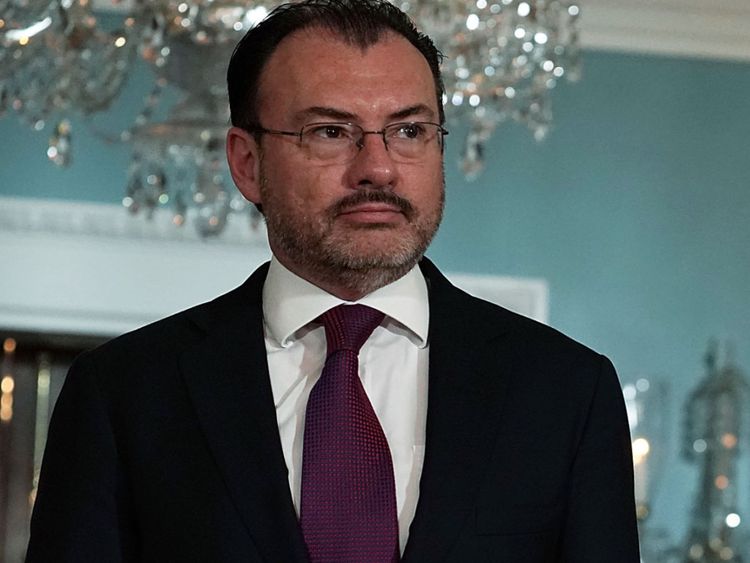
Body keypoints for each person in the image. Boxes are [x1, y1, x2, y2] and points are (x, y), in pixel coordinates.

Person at [26, 0, 640, 561]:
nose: (377, 168)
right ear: (247, 162)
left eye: (408, 131)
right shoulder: (123, 394)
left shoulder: (567, 393)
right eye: (329, 132)